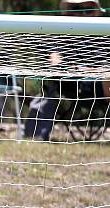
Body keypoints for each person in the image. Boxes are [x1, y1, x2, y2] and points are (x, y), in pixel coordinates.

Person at [23, 0, 107, 140]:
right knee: (49, 95)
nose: (83, 14)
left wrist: (96, 72)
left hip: (99, 85)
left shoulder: (102, 35)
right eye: (77, 9)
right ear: (69, 11)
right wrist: (75, 69)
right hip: (71, 86)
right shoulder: (62, 33)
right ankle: (36, 135)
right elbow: (55, 60)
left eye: (89, 10)